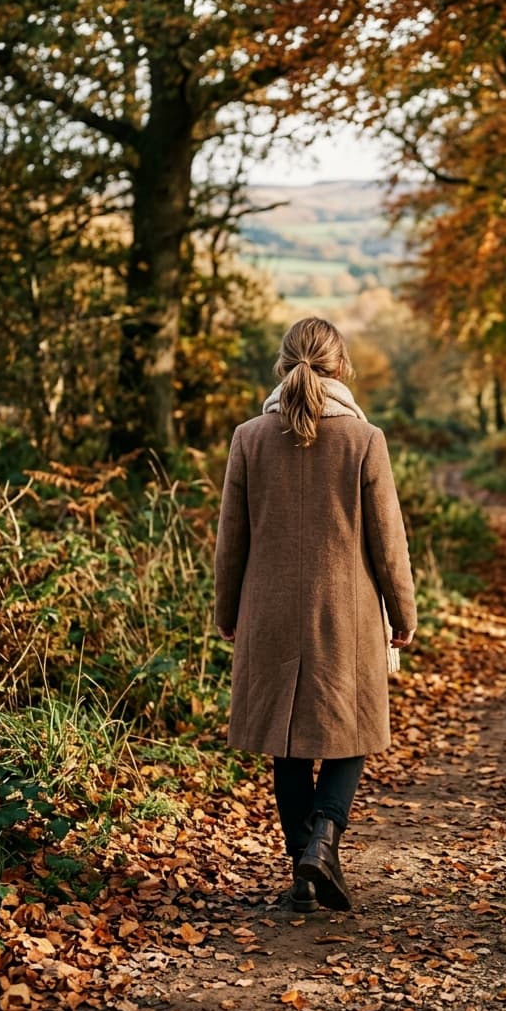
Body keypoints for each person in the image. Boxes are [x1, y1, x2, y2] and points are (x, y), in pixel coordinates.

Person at [214, 317, 417, 912]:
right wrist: (402, 610)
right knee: (351, 731)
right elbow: (389, 540)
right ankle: (322, 843)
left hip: (269, 611)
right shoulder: (365, 440)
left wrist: (228, 610)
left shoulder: (249, 437)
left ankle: (305, 861)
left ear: (283, 365)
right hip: (346, 614)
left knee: (289, 742)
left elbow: (233, 539)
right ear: (341, 367)